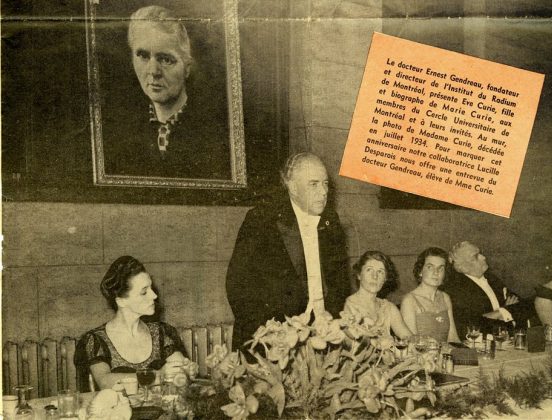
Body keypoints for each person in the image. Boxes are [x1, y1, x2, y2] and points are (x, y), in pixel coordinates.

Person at [226, 152, 350, 350]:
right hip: (272, 341)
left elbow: (340, 281)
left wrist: (331, 313)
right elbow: (237, 285)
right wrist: (268, 332)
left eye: (325, 183)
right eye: (314, 184)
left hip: (321, 338)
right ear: (292, 187)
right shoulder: (261, 219)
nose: (323, 191)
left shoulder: (331, 221)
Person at [103, 5, 231, 179]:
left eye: (165, 59)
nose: (153, 71)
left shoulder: (218, 132)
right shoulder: (119, 132)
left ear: (187, 68)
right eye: (143, 56)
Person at [75, 256, 188, 391]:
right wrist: (158, 376)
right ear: (121, 301)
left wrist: (187, 372)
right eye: (144, 292)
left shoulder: (162, 332)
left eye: (151, 288)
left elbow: (181, 373)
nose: (154, 295)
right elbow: (105, 381)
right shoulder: (95, 340)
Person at [443, 241, 537, 338]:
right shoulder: (456, 289)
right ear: (463, 267)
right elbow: (472, 326)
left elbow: (523, 305)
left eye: (480, 253)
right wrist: (504, 312)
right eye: (476, 256)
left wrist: (499, 313)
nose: (483, 257)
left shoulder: (491, 278)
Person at [343, 251, 412, 339]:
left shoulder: (388, 307)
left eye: (380, 272)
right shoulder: (351, 304)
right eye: (369, 270)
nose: (375, 276)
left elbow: (409, 338)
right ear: (359, 275)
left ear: (385, 279)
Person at [400, 247, 460, 343]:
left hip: (445, 356)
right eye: (430, 267)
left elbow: (453, 338)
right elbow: (412, 343)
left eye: (441, 268)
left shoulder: (445, 297)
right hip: (421, 356)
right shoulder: (409, 300)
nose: (436, 272)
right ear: (420, 271)